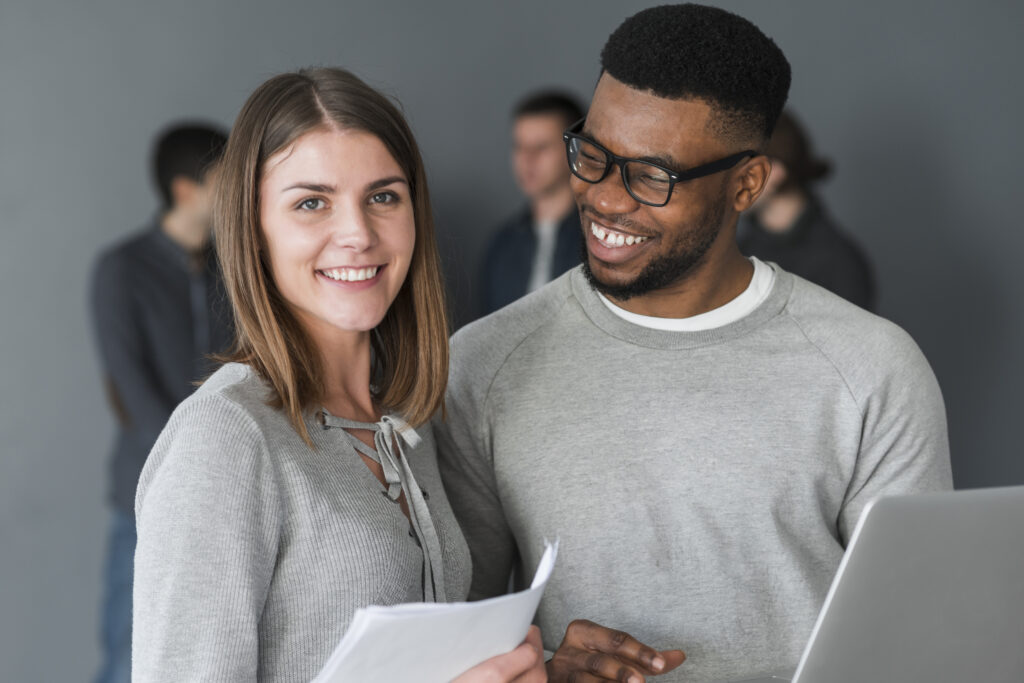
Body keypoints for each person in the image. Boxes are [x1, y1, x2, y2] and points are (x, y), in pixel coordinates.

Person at [435, 5, 951, 682]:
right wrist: (548, 669)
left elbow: (924, 644)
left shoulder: (872, 371)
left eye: (652, 175)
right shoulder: (482, 364)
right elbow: (457, 642)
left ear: (747, 184)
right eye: (592, 155)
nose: (605, 198)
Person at [131, 68, 545, 682]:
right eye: (310, 203)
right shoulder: (224, 438)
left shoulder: (406, 424)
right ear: (255, 227)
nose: (357, 234)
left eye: (383, 196)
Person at [88, 123, 233, 683]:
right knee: (128, 656)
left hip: (226, 493)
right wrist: (197, 462)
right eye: (226, 179)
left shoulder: (234, 269)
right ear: (186, 190)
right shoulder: (122, 269)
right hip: (145, 498)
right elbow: (130, 388)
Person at [738, 110, 876, 310]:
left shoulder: (837, 263)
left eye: (743, 169)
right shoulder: (740, 252)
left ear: (774, 172)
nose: (731, 182)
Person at [479, 91, 584, 316]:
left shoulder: (599, 238)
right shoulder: (501, 245)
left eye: (541, 147)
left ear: (575, 150)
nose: (527, 159)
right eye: (519, 147)